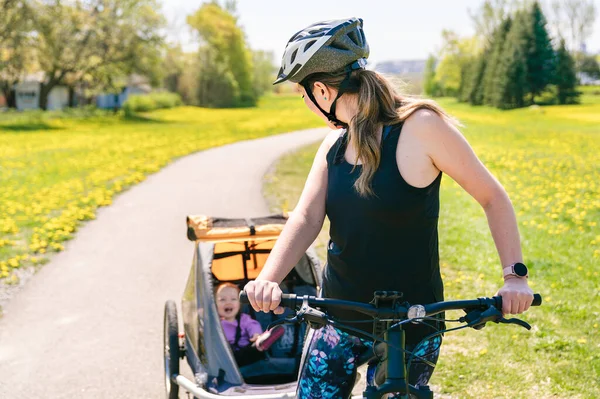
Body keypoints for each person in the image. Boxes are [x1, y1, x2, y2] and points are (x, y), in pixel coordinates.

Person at [244, 17, 534, 398]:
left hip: (413, 321)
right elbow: (306, 216)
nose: (307, 105)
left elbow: (492, 197)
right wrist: (269, 276)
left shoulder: (422, 127)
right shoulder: (332, 147)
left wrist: (514, 277)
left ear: (321, 91)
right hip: (339, 316)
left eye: (303, 96)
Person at [216, 282, 284, 367]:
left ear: (239, 304)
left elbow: (253, 325)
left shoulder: (243, 319)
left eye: (233, 299)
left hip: (245, 351)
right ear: (215, 304)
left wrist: (255, 334)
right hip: (226, 355)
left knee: (253, 350)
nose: (228, 302)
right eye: (222, 300)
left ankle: (261, 342)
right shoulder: (215, 322)